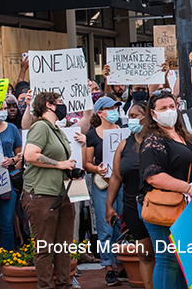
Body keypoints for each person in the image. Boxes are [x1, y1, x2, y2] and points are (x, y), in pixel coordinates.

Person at [139, 90, 192, 288]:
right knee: (168, 259)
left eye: (172, 106)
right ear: (153, 113)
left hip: (187, 207)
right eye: (163, 108)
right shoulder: (153, 140)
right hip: (164, 206)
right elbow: (154, 176)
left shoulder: (182, 134)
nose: (169, 111)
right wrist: (189, 188)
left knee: (182, 261)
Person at [22, 91, 86, 289]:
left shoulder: (56, 129)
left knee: (63, 245)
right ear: (49, 105)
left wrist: (68, 168)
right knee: (45, 247)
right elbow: (30, 155)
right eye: (59, 102)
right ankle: (46, 286)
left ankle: (65, 284)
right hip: (42, 195)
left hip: (60, 194)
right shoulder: (40, 126)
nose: (63, 106)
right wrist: (59, 164)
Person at [106, 102, 155, 289]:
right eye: (130, 116)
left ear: (147, 117)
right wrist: (109, 205)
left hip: (157, 204)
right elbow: (116, 177)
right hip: (132, 205)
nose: (131, 120)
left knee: (165, 253)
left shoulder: (158, 141)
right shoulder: (124, 145)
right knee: (144, 254)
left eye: (136, 116)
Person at [83, 96, 126, 286]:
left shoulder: (124, 132)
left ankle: (122, 263)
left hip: (123, 183)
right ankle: (109, 266)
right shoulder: (92, 135)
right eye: (109, 108)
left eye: (116, 107)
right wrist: (96, 169)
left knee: (121, 224)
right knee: (105, 225)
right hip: (102, 184)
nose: (114, 111)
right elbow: (86, 163)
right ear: (100, 112)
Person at [0, 96, 22, 254]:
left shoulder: (12, 128)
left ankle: (8, 259)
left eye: (5, 108)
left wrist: (11, 160)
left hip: (7, 180)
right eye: (0, 109)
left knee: (7, 223)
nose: (4, 112)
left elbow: (20, 155)